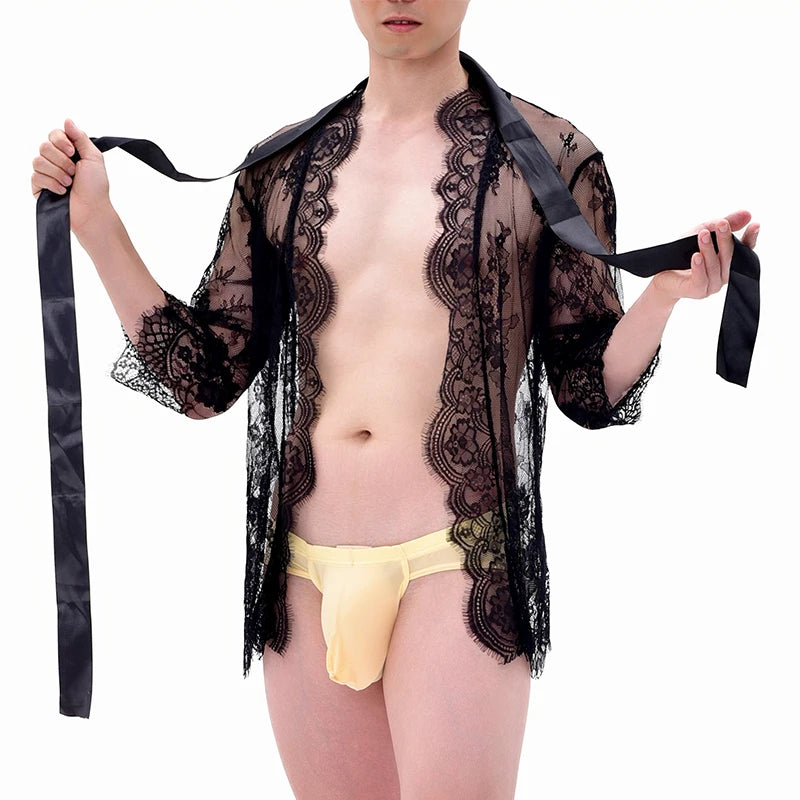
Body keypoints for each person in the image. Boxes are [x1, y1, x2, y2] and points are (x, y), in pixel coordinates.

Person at [31, 1, 760, 797]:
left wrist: (660, 298)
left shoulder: (551, 161)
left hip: (453, 567)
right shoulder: (283, 164)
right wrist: (97, 227)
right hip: (302, 575)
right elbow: (206, 378)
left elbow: (588, 388)